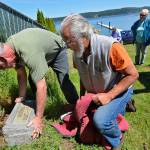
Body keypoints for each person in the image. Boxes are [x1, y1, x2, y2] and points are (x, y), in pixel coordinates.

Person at [60, 14, 139, 150]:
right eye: (65, 41)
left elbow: (133, 75)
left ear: (83, 35)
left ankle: (116, 137)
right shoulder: (77, 53)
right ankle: (121, 107)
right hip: (97, 94)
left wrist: (109, 96)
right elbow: (82, 75)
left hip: (117, 90)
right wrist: (82, 98)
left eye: (68, 41)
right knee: (82, 115)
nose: (67, 46)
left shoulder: (111, 46)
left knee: (100, 121)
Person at [0, 28, 79, 139]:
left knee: (63, 80)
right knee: (33, 78)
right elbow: (20, 73)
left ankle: (77, 106)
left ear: (4, 58)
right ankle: (39, 105)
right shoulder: (9, 48)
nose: (4, 69)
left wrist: (38, 118)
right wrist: (22, 97)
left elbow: (41, 86)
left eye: (2, 67)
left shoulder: (28, 52)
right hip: (40, 52)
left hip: (56, 51)